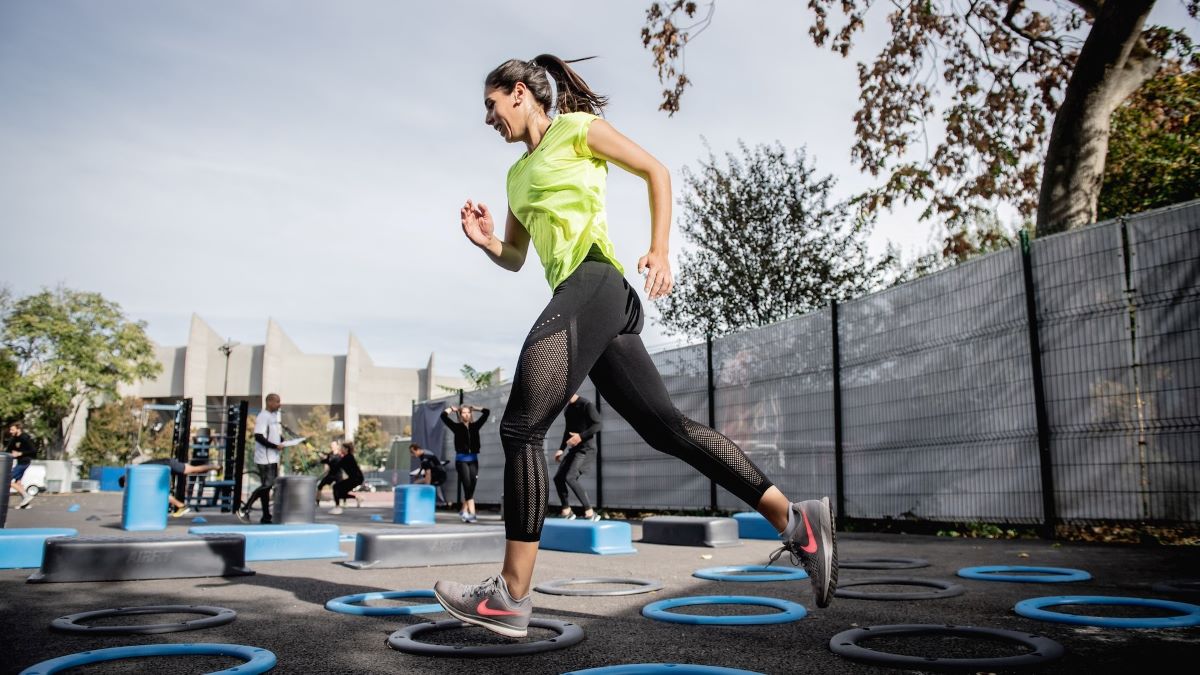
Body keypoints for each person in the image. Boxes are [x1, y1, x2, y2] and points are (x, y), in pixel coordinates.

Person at [432, 55, 837, 639]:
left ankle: (510, 595)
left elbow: (656, 171)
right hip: (588, 302)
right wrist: (487, 239)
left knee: (521, 427)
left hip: (596, 281)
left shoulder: (575, 130)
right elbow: (518, 257)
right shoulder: (516, 177)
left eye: (491, 105)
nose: (488, 118)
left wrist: (660, 248)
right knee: (665, 428)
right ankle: (797, 521)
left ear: (520, 93)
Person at [553, 393, 601, 521]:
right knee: (558, 478)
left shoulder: (586, 404)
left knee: (570, 477)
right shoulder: (568, 409)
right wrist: (561, 449)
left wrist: (580, 436)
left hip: (586, 449)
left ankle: (590, 512)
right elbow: (567, 430)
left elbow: (598, 425)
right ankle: (567, 510)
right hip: (575, 450)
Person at [121, 457, 221, 517]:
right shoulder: (136, 472)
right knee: (192, 470)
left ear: (125, 480)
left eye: (126, 485)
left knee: (192, 470)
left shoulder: (136, 473)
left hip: (169, 464)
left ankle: (215, 467)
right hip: (166, 467)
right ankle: (181, 505)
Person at [239, 393, 284, 524]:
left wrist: (281, 441)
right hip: (265, 458)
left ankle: (266, 516)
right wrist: (274, 446)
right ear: (269, 402)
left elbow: (273, 434)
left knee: (267, 487)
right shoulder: (263, 416)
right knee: (267, 485)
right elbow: (258, 436)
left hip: (272, 457)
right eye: (277, 402)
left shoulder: (273, 417)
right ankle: (245, 508)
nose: (279, 404)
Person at [440, 404, 490, 522]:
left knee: (471, 486)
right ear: (460, 415)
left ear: (470, 414)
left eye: (468, 412)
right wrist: (452, 409)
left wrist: (475, 408)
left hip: (473, 460)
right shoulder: (456, 427)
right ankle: (472, 514)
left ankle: (463, 510)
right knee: (467, 486)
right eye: (463, 412)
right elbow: (443, 416)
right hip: (461, 461)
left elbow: (486, 412)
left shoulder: (475, 426)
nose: (466, 414)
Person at [5, 422, 38, 509]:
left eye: (12, 429)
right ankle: (26, 503)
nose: (10, 431)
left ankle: (26, 496)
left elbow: (33, 450)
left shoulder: (25, 438)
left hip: (25, 462)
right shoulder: (14, 439)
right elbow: (8, 450)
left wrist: (20, 453)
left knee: (7, 479)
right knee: (17, 483)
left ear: (18, 429)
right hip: (20, 462)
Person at [330, 440, 363, 515]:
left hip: (356, 478)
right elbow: (337, 466)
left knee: (336, 487)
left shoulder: (348, 457)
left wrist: (329, 463)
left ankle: (337, 507)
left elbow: (337, 466)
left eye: (342, 448)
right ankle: (357, 498)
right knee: (340, 493)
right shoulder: (347, 457)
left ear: (346, 449)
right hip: (355, 478)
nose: (341, 449)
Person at [316, 440, 343, 505]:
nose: (332, 446)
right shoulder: (330, 454)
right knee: (320, 486)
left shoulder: (340, 455)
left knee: (339, 489)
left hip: (338, 475)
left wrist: (325, 458)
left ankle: (356, 498)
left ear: (337, 446)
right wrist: (321, 458)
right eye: (331, 445)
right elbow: (326, 461)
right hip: (331, 474)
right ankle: (317, 501)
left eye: (333, 445)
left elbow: (333, 460)